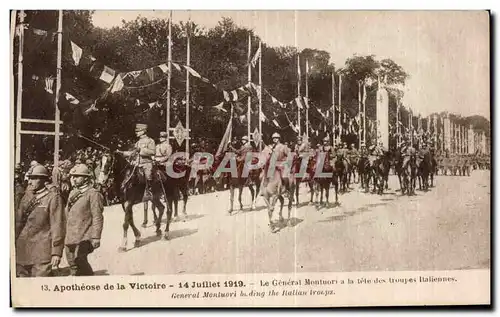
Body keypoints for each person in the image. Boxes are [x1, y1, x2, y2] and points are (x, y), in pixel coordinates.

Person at [15, 165, 65, 277]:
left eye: (34, 178)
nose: (30, 182)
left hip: (42, 254)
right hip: (22, 251)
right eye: (30, 178)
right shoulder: (26, 197)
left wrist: (56, 252)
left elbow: (58, 226)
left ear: (43, 180)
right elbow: (18, 223)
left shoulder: (53, 198)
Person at [65, 164, 104, 276]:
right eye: (73, 176)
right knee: (72, 263)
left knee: (80, 261)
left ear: (86, 178)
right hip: (70, 235)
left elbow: (97, 216)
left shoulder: (93, 194)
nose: (74, 179)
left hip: (84, 236)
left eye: (78, 176)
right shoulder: (73, 193)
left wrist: (96, 237)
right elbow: (67, 213)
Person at [117, 123, 156, 197]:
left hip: (146, 163)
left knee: (148, 175)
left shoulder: (150, 141)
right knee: (128, 173)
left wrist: (141, 150)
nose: (136, 133)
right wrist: (122, 152)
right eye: (136, 131)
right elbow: (132, 153)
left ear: (143, 131)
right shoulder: (137, 142)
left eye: (138, 131)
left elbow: (153, 152)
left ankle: (150, 190)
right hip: (137, 164)